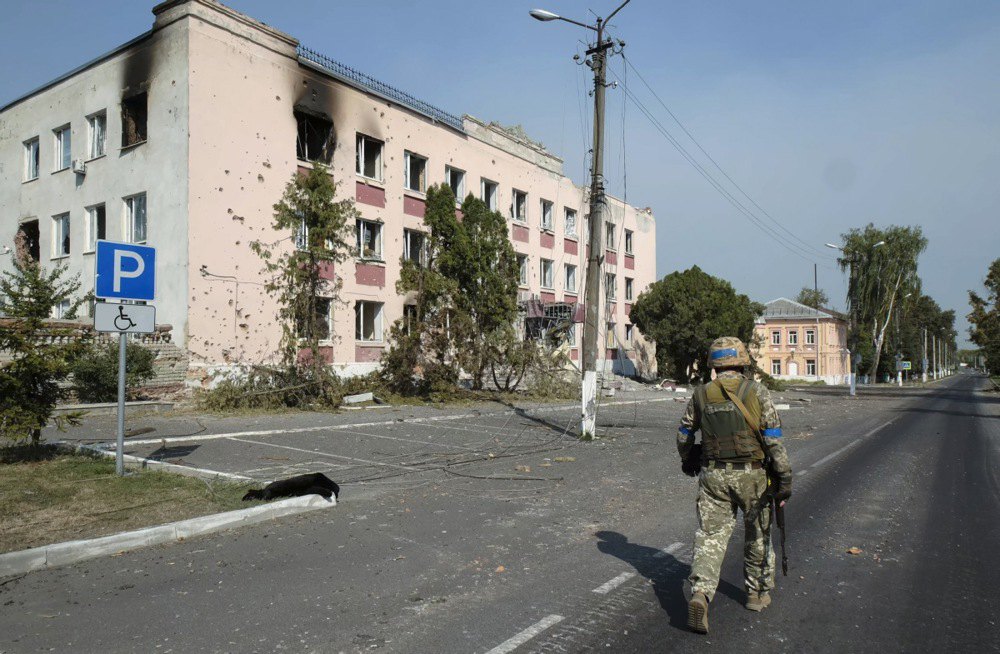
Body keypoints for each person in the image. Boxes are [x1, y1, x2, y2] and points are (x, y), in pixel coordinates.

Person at [676, 337, 792, 634]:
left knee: (710, 536)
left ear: (714, 365)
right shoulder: (757, 391)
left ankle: (701, 593)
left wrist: (688, 459)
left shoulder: (701, 395)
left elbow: (684, 433)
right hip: (753, 477)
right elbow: (773, 438)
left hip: (713, 476)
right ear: (742, 362)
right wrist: (784, 477)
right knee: (757, 534)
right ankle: (755, 594)